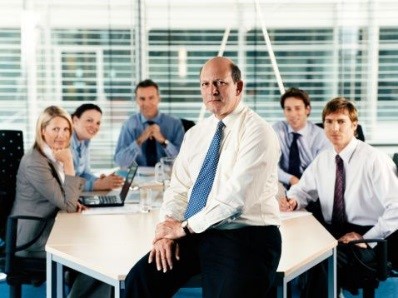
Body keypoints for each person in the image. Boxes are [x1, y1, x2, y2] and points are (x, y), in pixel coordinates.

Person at [124, 57, 282, 297]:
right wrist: (166, 230)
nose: (212, 90)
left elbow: (236, 200)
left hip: (245, 235)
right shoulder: (196, 134)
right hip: (196, 231)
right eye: (205, 84)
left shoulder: (258, 131)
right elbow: (179, 188)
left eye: (220, 82)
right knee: (139, 282)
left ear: (238, 87)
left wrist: (183, 229)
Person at [280, 97, 398, 296]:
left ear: (354, 126)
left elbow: (396, 206)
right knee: (295, 254)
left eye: (341, 121)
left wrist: (366, 238)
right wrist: (294, 200)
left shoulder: (374, 160)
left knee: (320, 262)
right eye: (329, 121)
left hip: (369, 237)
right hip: (332, 232)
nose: (334, 128)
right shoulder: (324, 159)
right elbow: (302, 190)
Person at [10, 105, 86, 258]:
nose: (62, 135)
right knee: (85, 249)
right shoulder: (35, 162)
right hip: (33, 238)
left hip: (50, 225)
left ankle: (73, 279)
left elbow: (66, 198)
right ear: (43, 131)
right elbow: (69, 206)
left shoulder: (52, 155)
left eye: (66, 129)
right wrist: (69, 163)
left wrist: (72, 201)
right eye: (55, 129)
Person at [114, 79, 185, 168]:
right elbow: (120, 162)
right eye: (142, 99)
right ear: (136, 100)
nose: (147, 103)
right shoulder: (129, 125)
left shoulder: (175, 124)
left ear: (159, 98)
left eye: (151, 98)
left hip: (167, 177)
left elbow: (183, 160)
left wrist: (163, 141)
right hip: (138, 178)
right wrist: (140, 139)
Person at [273, 87, 330, 190]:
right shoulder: (277, 130)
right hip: (283, 185)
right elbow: (270, 166)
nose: (292, 114)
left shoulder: (321, 136)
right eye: (288, 109)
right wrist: (291, 179)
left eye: (298, 108)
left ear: (307, 109)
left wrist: (301, 186)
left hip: (313, 188)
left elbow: (322, 171)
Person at [71, 103, 124, 191]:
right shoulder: (64, 142)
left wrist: (100, 180)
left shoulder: (85, 141)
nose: (94, 126)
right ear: (75, 120)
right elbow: (65, 182)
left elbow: (84, 173)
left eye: (98, 123)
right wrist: (96, 185)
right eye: (89, 120)